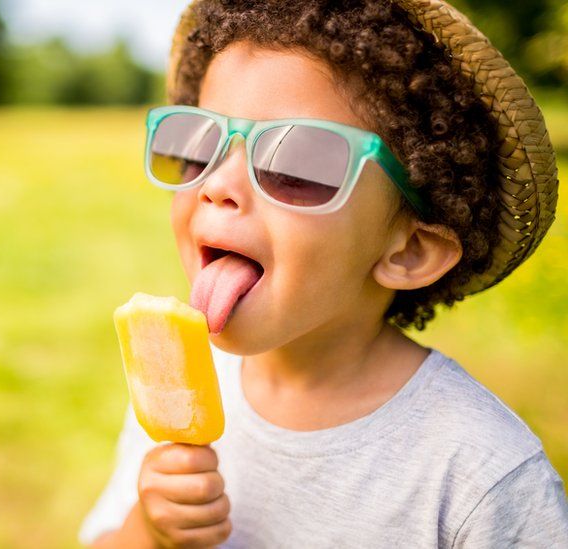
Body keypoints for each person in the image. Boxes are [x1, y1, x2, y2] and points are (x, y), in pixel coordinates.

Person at [79, 0, 568, 547]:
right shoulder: (182, 383)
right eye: (198, 146)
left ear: (409, 251)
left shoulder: (479, 473)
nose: (216, 185)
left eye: (295, 164)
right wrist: (150, 529)